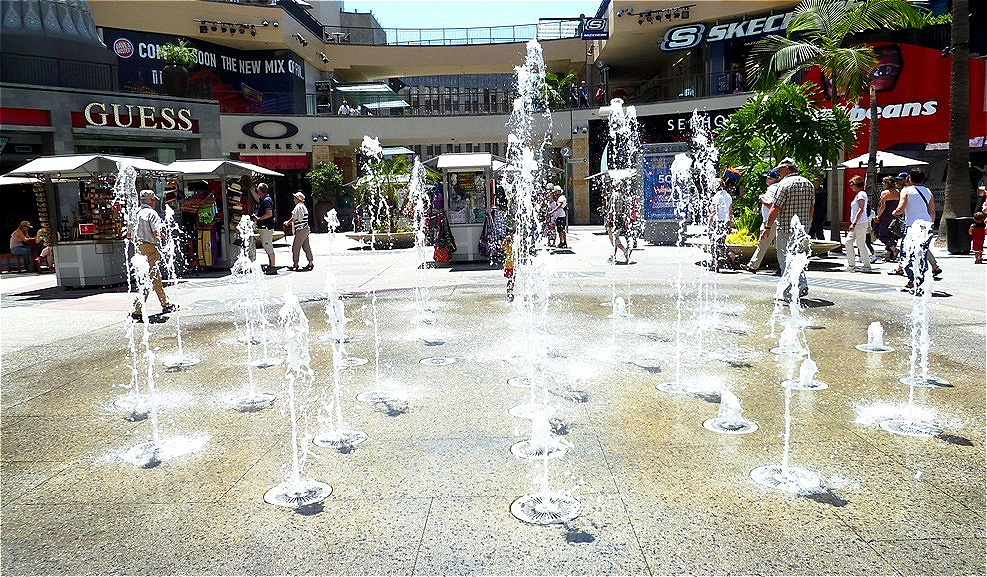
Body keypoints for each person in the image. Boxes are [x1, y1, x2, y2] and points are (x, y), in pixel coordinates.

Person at [760, 158, 814, 299]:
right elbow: (811, 207)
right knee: (798, 257)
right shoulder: (808, 183)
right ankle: (801, 283)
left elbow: (775, 207)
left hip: (785, 228)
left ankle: (789, 290)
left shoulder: (784, 184)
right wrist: (808, 225)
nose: (778, 171)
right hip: (802, 229)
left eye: (780, 169)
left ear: (787, 169)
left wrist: (767, 227)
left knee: (785, 259)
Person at [891, 167, 941, 290]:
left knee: (906, 252)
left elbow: (901, 208)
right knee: (922, 253)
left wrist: (895, 212)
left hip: (912, 227)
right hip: (926, 226)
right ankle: (920, 279)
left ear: (910, 178)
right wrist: (930, 223)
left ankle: (913, 279)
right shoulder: (928, 191)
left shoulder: (906, 190)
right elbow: (932, 211)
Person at [131, 190, 178, 320]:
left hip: (138, 247)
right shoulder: (151, 213)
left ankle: (165, 302)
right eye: (154, 200)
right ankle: (137, 309)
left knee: (154, 275)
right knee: (149, 276)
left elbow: (129, 234)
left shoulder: (135, 213)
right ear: (152, 201)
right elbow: (156, 231)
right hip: (150, 247)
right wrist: (163, 236)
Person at [746, 169, 780, 272]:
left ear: (770, 179)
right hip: (777, 219)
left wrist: (762, 199)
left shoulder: (771, 189)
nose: (766, 180)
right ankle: (783, 266)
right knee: (780, 245)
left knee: (763, 243)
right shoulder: (779, 188)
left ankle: (753, 266)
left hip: (770, 220)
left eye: (767, 178)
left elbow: (771, 205)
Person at [844, 175, 872, 273]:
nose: (850, 186)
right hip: (857, 223)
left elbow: (861, 209)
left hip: (860, 223)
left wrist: (854, 223)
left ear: (857, 184)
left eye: (852, 184)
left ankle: (866, 266)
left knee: (860, 244)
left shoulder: (861, 194)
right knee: (848, 242)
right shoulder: (859, 194)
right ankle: (852, 265)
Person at [251, 182, 277, 275]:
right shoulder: (264, 199)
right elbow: (257, 199)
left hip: (266, 227)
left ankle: (273, 267)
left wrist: (258, 219)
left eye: (257, 189)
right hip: (265, 227)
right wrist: (251, 189)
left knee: (268, 246)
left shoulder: (266, 200)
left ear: (260, 190)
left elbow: (269, 213)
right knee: (267, 246)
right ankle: (271, 265)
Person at [708, 178, 733, 271]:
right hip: (725, 221)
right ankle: (730, 254)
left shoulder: (716, 197)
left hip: (717, 222)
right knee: (721, 242)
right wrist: (730, 224)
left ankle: (716, 262)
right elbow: (730, 212)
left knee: (713, 242)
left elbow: (713, 211)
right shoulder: (728, 196)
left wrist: (709, 223)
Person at [285, 192, 314, 271]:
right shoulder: (303, 206)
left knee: (295, 247)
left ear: (298, 199)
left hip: (300, 230)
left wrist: (287, 222)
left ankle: (295, 264)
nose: (293, 199)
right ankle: (310, 262)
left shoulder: (298, 207)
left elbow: (294, 217)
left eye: (295, 198)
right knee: (306, 247)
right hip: (305, 228)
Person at [875, 175, 901, 262]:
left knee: (883, 236)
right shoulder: (898, 192)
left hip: (885, 217)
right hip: (895, 216)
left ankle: (894, 249)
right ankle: (888, 255)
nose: (882, 184)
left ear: (887, 183)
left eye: (883, 182)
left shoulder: (885, 193)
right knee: (892, 236)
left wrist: (878, 216)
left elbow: (882, 207)